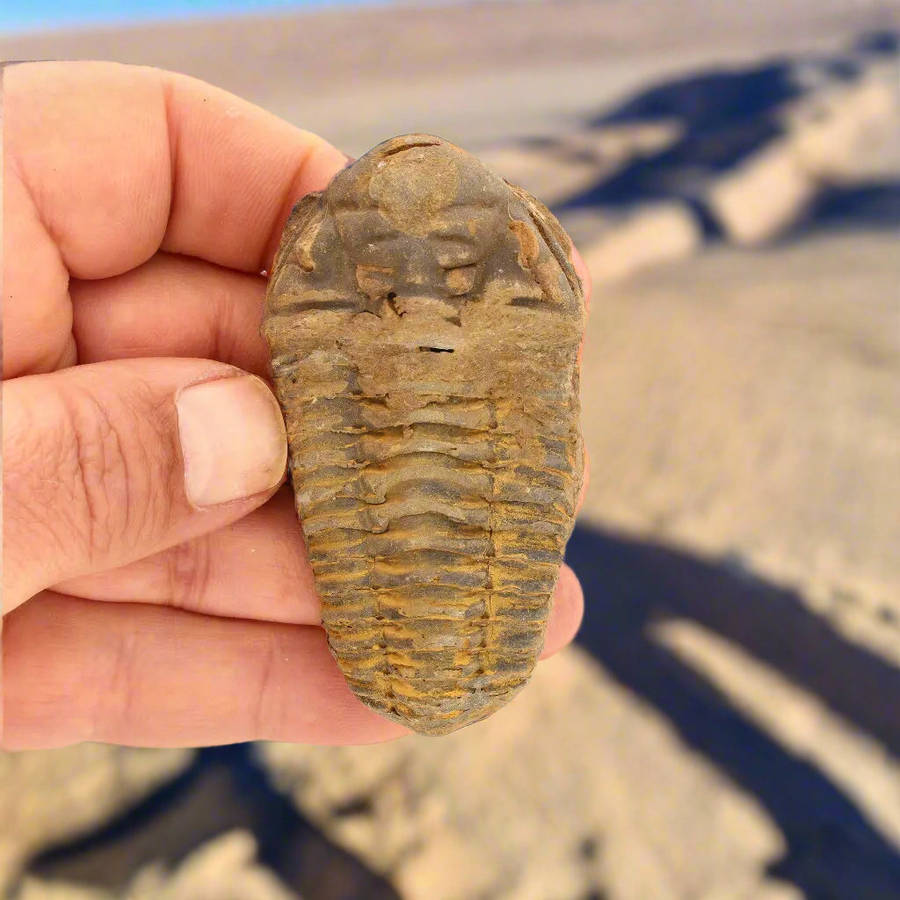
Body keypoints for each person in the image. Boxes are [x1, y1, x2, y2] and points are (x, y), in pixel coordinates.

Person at [2, 61, 588, 750]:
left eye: (461, 266)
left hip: (471, 625)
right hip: (394, 633)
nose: (416, 302)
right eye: (376, 271)